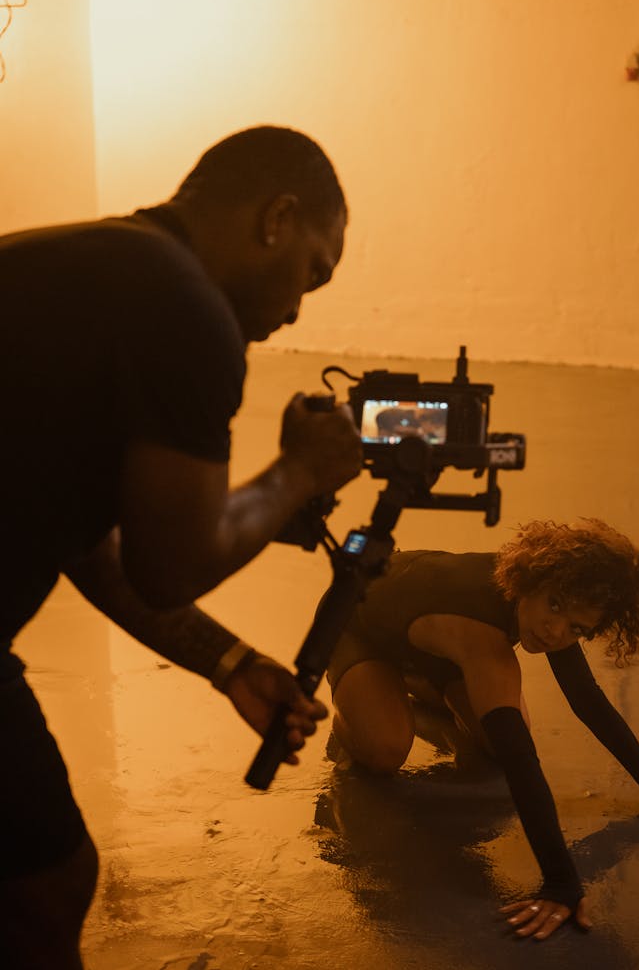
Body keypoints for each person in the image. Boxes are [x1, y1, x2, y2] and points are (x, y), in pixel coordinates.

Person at [0, 125, 363, 968]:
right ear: (277, 217)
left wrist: (228, 659)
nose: (298, 308)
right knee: (44, 886)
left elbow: (91, 544)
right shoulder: (185, 308)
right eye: (313, 268)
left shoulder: (79, 264)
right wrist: (300, 472)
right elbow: (170, 564)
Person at [326, 519, 639, 941]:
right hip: (359, 623)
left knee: (497, 734)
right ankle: (361, 701)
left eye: (577, 628)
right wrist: (561, 883)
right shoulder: (484, 634)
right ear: (533, 580)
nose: (556, 630)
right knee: (385, 749)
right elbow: (521, 760)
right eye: (554, 606)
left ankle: (414, 681)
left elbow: (588, 702)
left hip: (440, 645)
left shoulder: (553, 617)